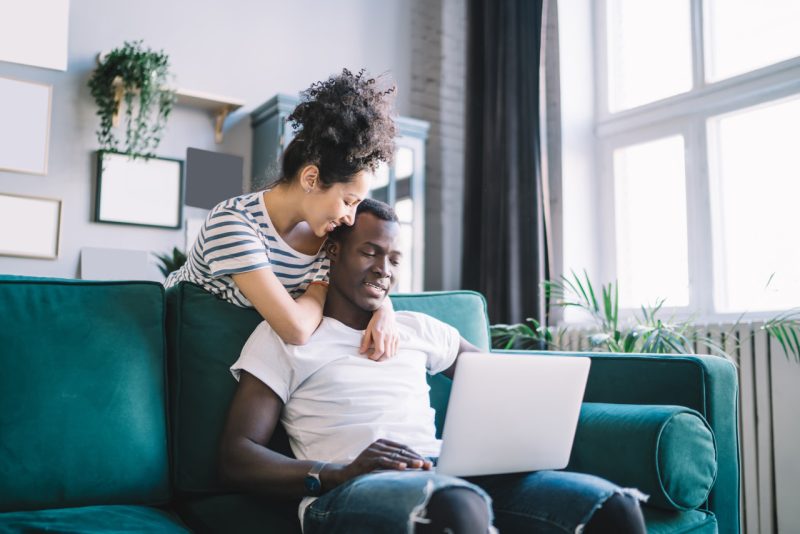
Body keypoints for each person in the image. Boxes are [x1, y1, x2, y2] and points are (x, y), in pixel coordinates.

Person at [219, 199, 648, 534]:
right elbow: (237, 456)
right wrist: (336, 474)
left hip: (448, 474)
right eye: (369, 252)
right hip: (349, 490)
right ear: (333, 250)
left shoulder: (418, 328)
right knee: (456, 505)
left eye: (394, 259)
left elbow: (504, 386)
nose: (383, 270)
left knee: (613, 507)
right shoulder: (287, 336)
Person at [165, 69, 399, 358]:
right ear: (311, 179)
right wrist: (319, 287)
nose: (351, 217)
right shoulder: (233, 224)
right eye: (348, 201)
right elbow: (296, 329)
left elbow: (371, 278)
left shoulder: (331, 234)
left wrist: (385, 310)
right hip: (174, 346)